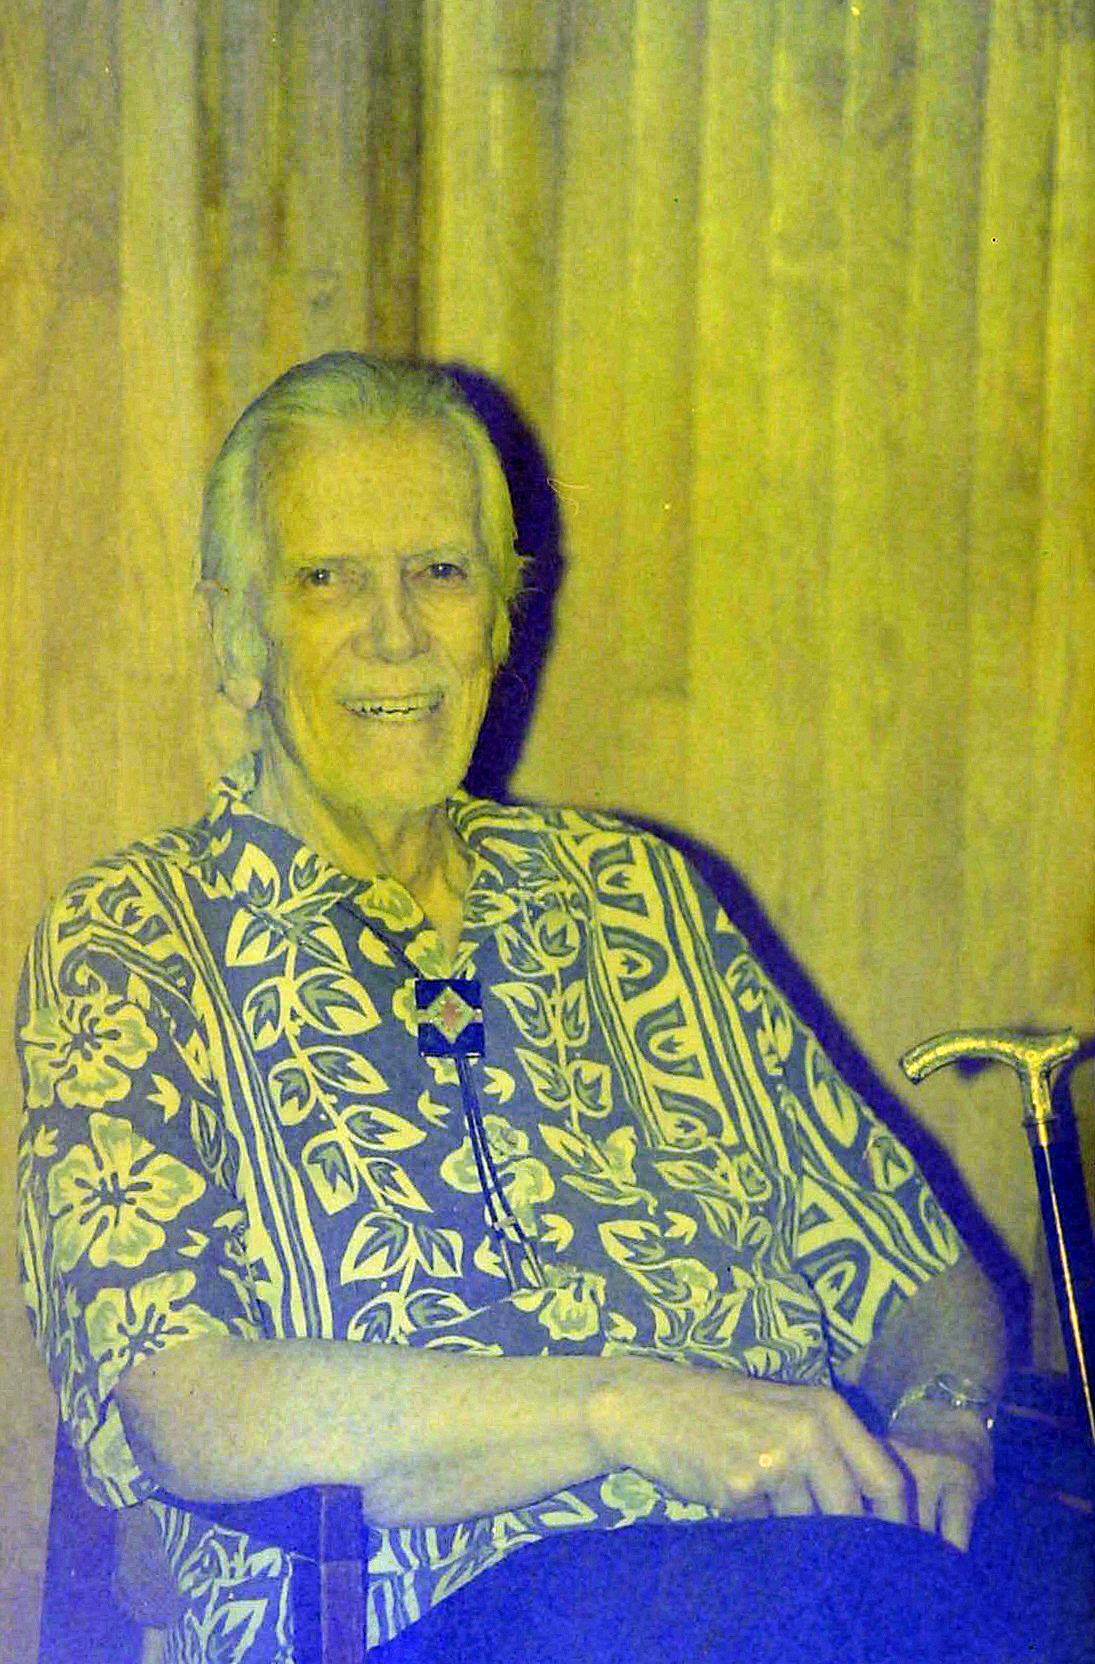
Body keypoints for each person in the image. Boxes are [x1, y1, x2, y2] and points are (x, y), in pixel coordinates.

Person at [17, 353, 1016, 1664]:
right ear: (238, 639)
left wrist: (944, 1422)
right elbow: (184, 1403)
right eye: (328, 580)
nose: (395, 633)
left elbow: (919, 1271)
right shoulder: (138, 936)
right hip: (418, 1621)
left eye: (441, 572)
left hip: (804, 1591)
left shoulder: (641, 895)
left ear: (497, 620)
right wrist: (620, 1408)